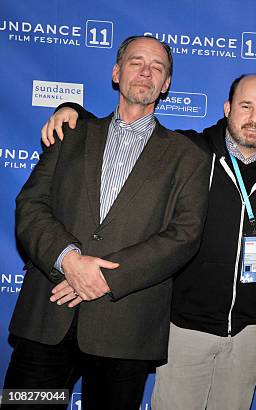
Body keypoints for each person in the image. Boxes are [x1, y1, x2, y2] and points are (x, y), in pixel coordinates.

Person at [40, 74, 256, 410]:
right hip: (185, 326)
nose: (254, 118)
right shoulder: (187, 150)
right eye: (245, 106)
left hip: (250, 331)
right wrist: (72, 110)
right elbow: (126, 133)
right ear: (227, 109)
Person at [3, 35, 210, 409]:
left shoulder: (188, 157)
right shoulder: (70, 135)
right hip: (47, 320)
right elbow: (30, 205)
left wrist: (102, 277)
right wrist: (69, 260)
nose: (145, 72)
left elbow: (184, 236)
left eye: (157, 68)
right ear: (117, 72)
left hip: (124, 332)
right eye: (136, 62)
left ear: (166, 85)